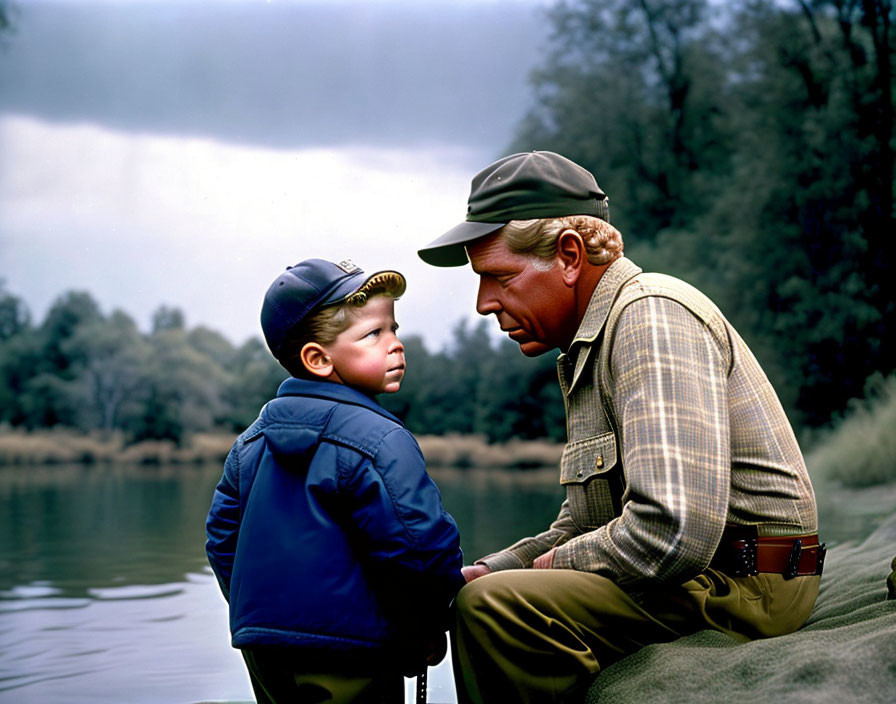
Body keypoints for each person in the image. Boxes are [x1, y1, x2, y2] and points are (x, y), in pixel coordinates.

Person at [418, 151, 825, 704]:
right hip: (711, 580)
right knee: (482, 592)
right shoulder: (589, 347)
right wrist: (488, 569)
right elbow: (586, 523)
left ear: (568, 256)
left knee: (495, 611)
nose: (484, 303)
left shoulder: (649, 317)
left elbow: (672, 533)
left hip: (750, 587)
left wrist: (545, 571)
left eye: (499, 277)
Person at [206, 258, 465, 704]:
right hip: (355, 650)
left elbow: (221, 540)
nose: (396, 345)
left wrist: (266, 618)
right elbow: (420, 550)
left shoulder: (250, 443)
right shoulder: (382, 440)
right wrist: (424, 628)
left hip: (263, 649)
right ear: (318, 359)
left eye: (393, 329)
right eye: (373, 335)